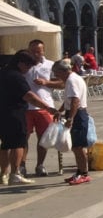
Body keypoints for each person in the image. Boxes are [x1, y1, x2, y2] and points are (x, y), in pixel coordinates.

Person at [2, 52, 60, 186]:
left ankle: (3, 174)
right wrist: (48, 108)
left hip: (3, 112)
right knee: (18, 144)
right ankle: (15, 174)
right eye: (27, 66)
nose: (28, 70)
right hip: (15, 113)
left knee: (5, 145)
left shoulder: (3, 72)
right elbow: (29, 96)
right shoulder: (16, 77)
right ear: (20, 63)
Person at [24, 39, 60, 177]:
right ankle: (21, 165)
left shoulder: (50, 65)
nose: (35, 54)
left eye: (38, 51)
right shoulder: (23, 65)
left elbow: (62, 82)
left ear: (43, 51)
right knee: (23, 138)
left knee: (44, 138)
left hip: (46, 107)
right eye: (32, 51)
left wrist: (47, 82)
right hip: (26, 107)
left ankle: (40, 165)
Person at [53, 58, 92, 185]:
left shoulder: (71, 80)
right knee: (75, 146)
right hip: (76, 113)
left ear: (62, 71)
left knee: (78, 146)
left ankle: (84, 173)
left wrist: (70, 118)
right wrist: (60, 110)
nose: (55, 76)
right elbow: (69, 100)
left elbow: (75, 100)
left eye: (56, 72)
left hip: (78, 114)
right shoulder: (73, 78)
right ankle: (79, 171)